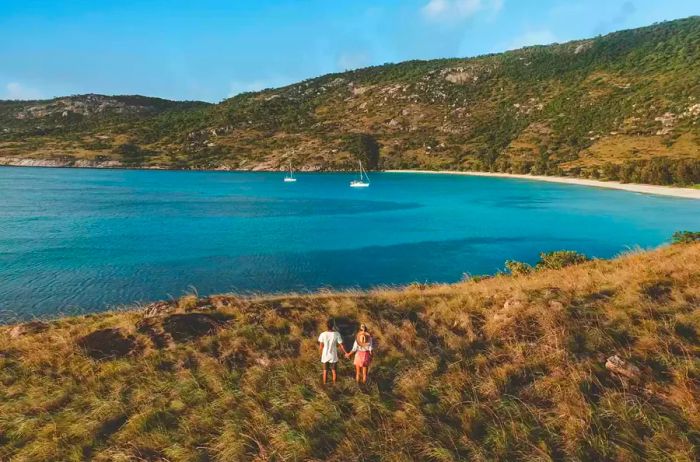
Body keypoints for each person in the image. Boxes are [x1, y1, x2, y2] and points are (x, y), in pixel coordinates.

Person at [318, 318, 348, 384]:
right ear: (333, 326)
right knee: (334, 371)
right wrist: (346, 353)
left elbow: (321, 346)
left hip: (325, 354)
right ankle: (334, 384)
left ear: (326, 326)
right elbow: (341, 345)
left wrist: (320, 354)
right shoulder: (336, 334)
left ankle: (324, 384)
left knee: (325, 371)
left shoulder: (323, 334)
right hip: (333, 355)